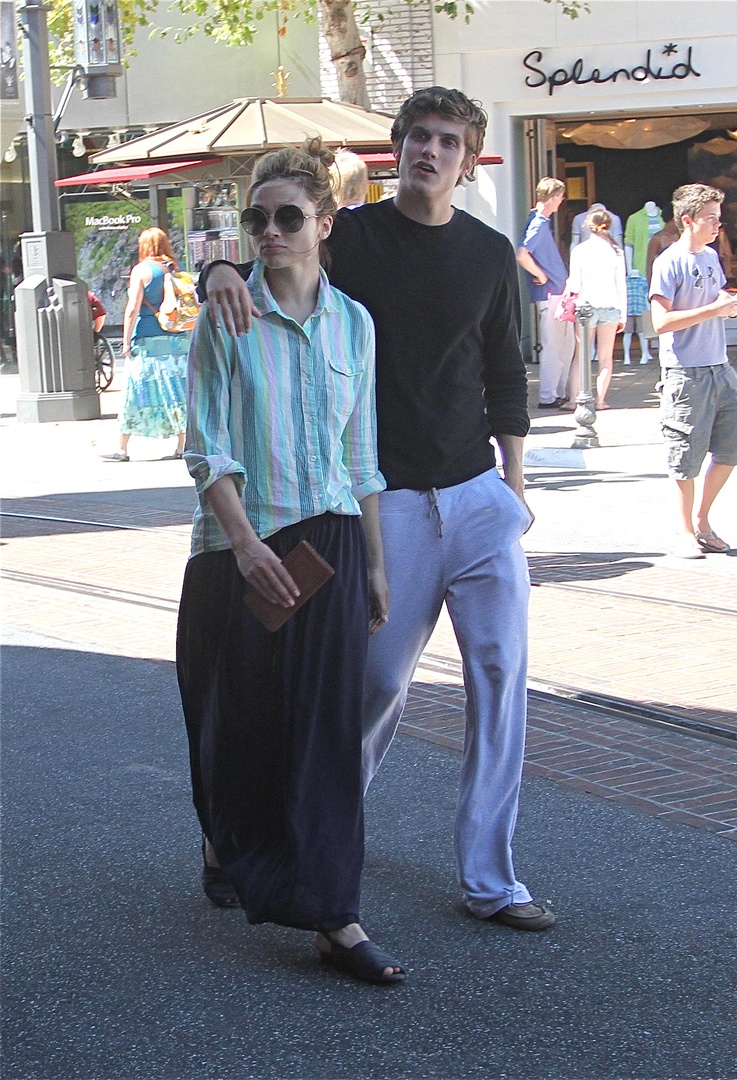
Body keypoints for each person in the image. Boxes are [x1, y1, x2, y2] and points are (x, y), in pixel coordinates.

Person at [199, 86, 556, 933]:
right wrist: (215, 269)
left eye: (448, 141)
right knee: (372, 687)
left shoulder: (489, 252)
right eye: (418, 136)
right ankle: (307, 844)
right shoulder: (348, 235)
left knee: (501, 677)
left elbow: (505, 373)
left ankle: (491, 880)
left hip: (479, 497)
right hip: (386, 499)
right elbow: (269, 252)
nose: (430, 151)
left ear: (467, 161)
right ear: (397, 149)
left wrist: (514, 487)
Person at [176, 138, 405, 985]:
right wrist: (242, 546)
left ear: (324, 223)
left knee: (326, 734)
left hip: (330, 543)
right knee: (237, 725)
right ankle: (223, 839)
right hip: (239, 546)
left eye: (288, 217)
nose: (270, 232)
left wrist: (374, 562)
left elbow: (361, 453)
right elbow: (206, 449)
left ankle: (335, 917)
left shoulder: (355, 324)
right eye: (257, 219)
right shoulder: (225, 313)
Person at [650, 183, 737, 559]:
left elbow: (715, 302)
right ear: (687, 220)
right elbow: (661, 322)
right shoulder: (669, 262)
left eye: (719, 218)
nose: (718, 225)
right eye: (710, 218)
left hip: (720, 367)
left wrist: (728, 305)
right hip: (685, 373)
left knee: (732, 448)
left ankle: (702, 521)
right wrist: (714, 310)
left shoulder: (711, 257)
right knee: (685, 456)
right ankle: (685, 530)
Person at [100, 227, 188, 462]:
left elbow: (132, 309)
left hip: (148, 339)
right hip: (177, 338)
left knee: (134, 391)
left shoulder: (141, 270)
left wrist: (126, 341)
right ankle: (182, 446)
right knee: (176, 390)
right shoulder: (175, 267)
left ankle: (122, 449)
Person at [517, 177, 576, 410]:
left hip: (555, 292)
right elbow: (522, 254)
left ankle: (556, 391)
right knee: (555, 346)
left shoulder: (539, 221)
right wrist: (541, 275)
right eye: (560, 197)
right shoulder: (539, 223)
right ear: (552, 198)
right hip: (551, 293)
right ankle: (549, 395)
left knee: (564, 345)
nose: (561, 201)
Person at [565, 209, 627, 410]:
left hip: (585, 307)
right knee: (606, 358)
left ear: (587, 225)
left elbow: (575, 284)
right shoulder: (616, 251)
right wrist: (623, 315)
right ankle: (600, 401)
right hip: (611, 306)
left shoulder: (580, 251)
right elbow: (621, 284)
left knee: (580, 356)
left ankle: (574, 399)